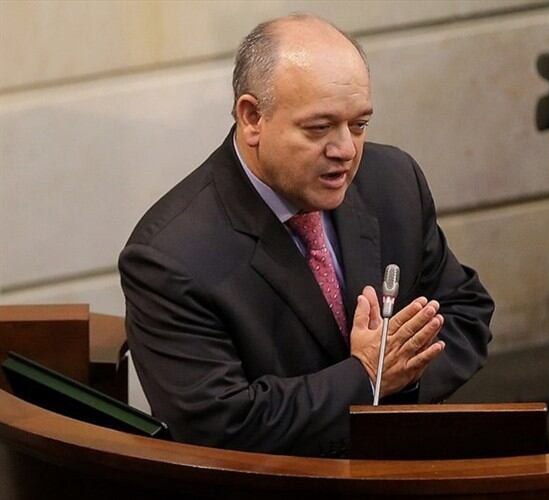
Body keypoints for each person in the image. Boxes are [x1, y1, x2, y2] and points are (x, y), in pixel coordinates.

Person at [119, 14, 493, 457]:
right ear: (252, 117)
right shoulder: (170, 256)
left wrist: (398, 381)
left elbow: (466, 310)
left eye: (359, 124)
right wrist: (366, 377)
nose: (346, 151)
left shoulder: (393, 181)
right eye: (319, 128)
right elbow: (222, 426)